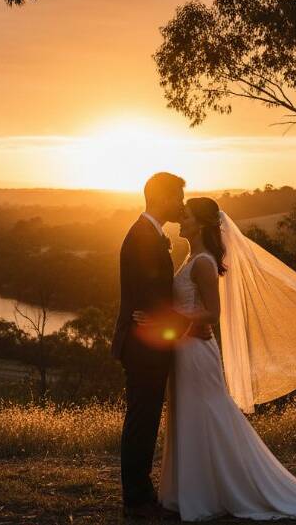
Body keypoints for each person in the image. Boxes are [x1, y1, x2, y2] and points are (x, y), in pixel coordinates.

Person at [135, 197, 296, 522]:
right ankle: (194, 490)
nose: (180, 220)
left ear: (201, 224)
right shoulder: (193, 257)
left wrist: (168, 320)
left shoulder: (203, 262)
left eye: (187, 216)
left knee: (208, 415)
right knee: (191, 415)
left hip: (196, 352)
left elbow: (212, 314)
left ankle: (222, 490)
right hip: (186, 348)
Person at [112, 172, 213, 519]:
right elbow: (152, 299)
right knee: (142, 420)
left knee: (146, 418)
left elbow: (158, 301)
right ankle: (137, 501)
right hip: (142, 346)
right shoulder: (142, 236)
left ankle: (141, 494)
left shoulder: (151, 234)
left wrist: (182, 324)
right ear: (163, 197)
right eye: (178, 198)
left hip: (149, 342)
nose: (181, 205)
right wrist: (187, 323)